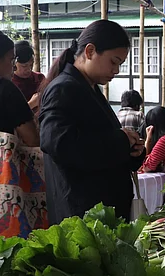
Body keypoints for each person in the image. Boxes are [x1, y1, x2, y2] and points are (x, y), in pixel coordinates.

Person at [39, 20, 144, 224]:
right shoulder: (64, 88)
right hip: (81, 214)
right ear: (90, 51)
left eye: (120, 64)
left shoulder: (89, 88)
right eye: (113, 62)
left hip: (99, 212)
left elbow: (101, 145)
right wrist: (120, 140)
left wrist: (131, 149)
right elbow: (57, 143)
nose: (116, 70)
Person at [11, 40, 45, 113]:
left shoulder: (39, 78)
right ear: (14, 64)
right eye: (24, 66)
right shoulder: (9, 84)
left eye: (31, 64)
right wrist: (31, 104)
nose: (29, 69)